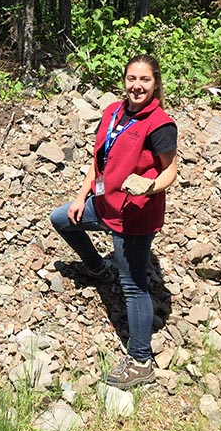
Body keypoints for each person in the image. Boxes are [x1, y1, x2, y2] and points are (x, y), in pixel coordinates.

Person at [49, 54, 178, 389]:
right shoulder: (113, 113)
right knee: (61, 219)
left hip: (136, 214)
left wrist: (150, 186)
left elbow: (170, 170)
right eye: (132, 78)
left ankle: (141, 361)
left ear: (155, 83)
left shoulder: (160, 124)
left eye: (145, 80)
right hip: (105, 202)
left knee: (133, 285)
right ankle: (97, 269)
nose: (137, 86)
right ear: (124, 81)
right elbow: (99, 162)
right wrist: (82, 196)